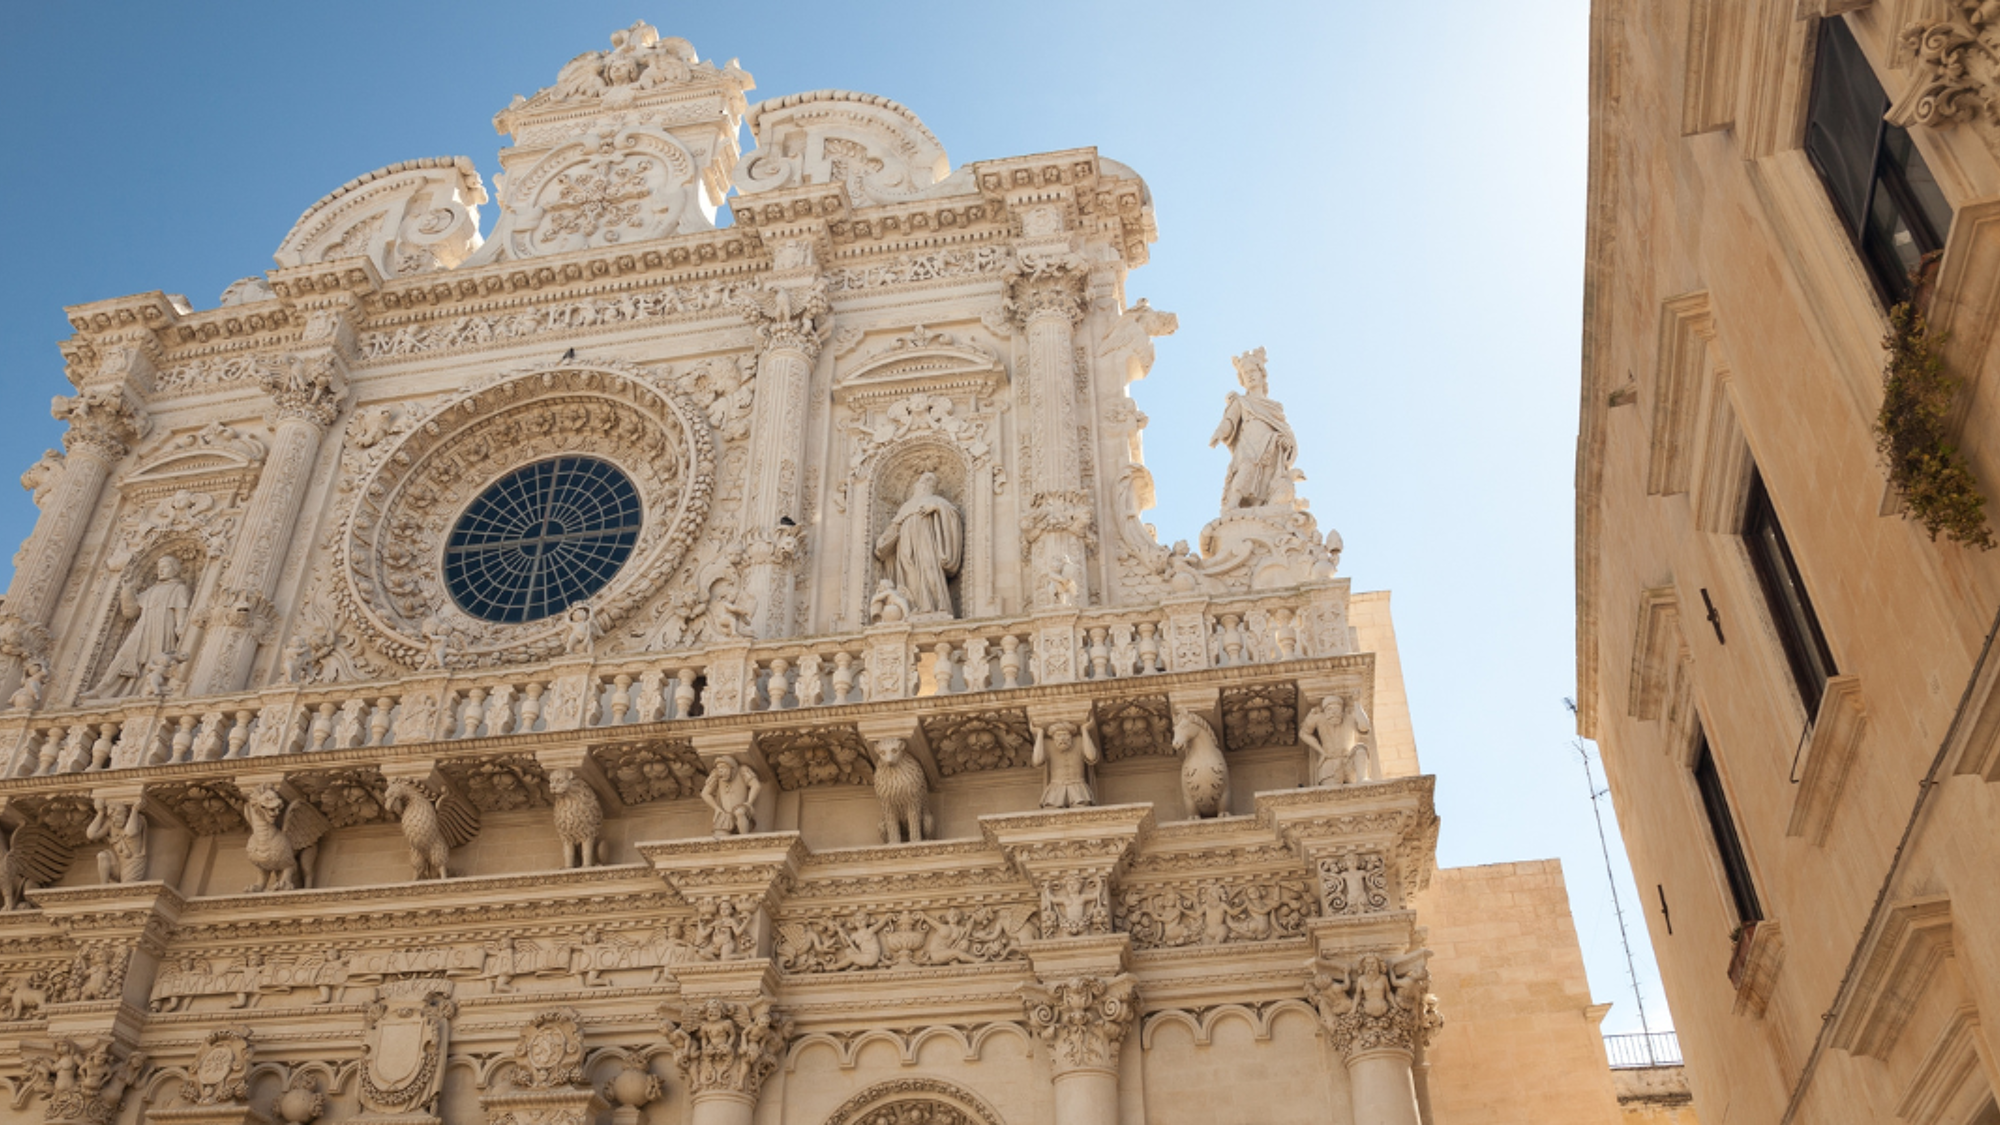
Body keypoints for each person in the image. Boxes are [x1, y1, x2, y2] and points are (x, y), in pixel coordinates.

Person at [93, 556, 192, 698]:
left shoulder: (179, 589)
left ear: (175, 570)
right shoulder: (151, 590)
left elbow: (181, 611)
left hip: (163, 629)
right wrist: (127, 589)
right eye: (159, 567)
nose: (161, 570)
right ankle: (103, 690)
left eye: (165, 566)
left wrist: (181, 627)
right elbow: (131, 612)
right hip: (143, 628)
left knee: (155, 660)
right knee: (123, 656)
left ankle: (146, 691)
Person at [874, 471, 962, 617]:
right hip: (906, 544)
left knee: (930, 569)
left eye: (928, 481)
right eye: (922, 481)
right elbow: (895, 526)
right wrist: (883, 542)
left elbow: (953, 517)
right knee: (910, 574)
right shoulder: (907, 505)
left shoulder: (938, 501)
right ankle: (914, 608)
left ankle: (935, 608)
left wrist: (937, 508)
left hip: (927, 542)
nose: (923, 484)